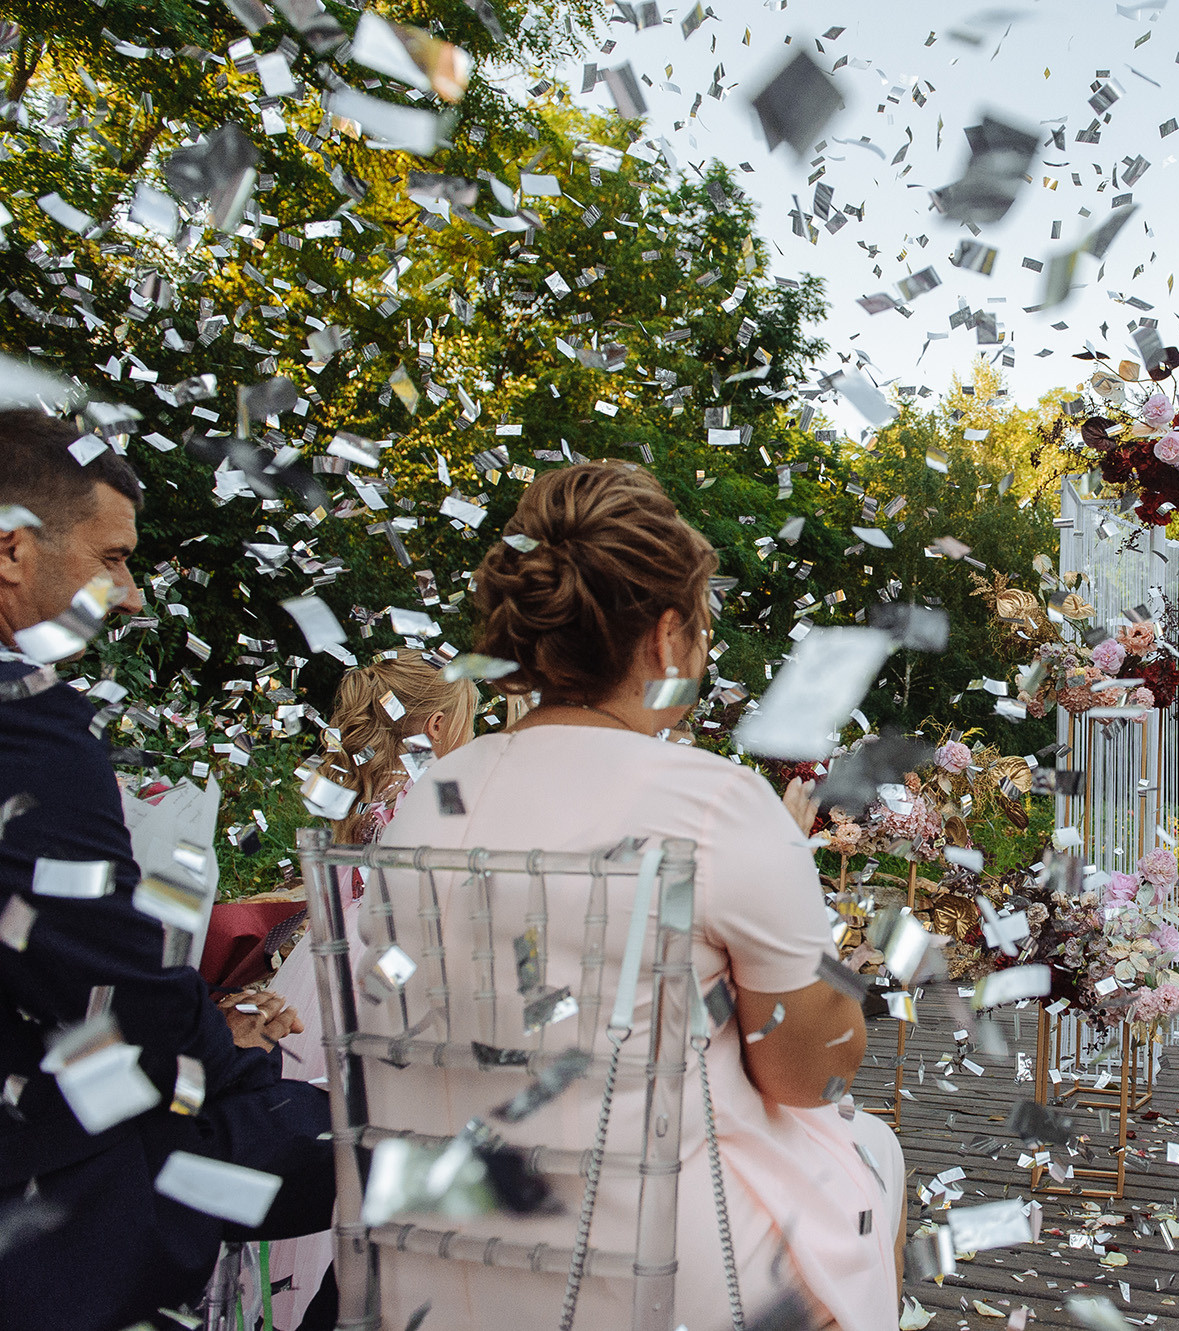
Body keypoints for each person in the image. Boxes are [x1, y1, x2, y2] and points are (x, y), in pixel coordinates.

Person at [359, 460, 903, 1330]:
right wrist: (834, 974)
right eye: (703, 628)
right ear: (664, 638)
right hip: (657, 1274)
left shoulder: (432, 795)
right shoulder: (714, 799)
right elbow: (812, 1073)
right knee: (871, 1152)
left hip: (442, 1261)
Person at [0, 409, 334, 1330]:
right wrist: (232, 1063)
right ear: (13, 552)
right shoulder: (24, 722)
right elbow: (105, 979)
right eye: (111, 556)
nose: (134, 593)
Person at [259, 652, 478, 1331]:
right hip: (392, 971)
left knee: (322, 1140)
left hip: (329, 973)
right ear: (436, 725)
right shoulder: (434, 795)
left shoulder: (365, 793)